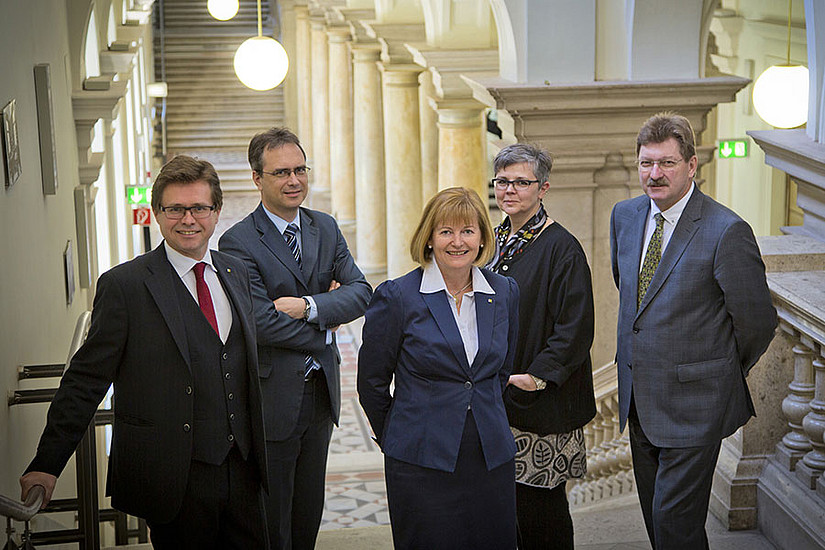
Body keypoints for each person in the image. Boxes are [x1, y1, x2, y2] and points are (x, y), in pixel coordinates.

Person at [20, 155, 269, 549]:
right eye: (175, 209)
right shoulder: (126, 286)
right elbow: (85, 380)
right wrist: (46, 465)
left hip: (243, 471)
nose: (188, 219)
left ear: (216, 211)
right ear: (157, 213)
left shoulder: (235, 272)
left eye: (199, 208)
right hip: (175, 478)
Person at [610, 112, 777, 549]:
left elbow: (757, 321)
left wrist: (716, 368)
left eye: (666, 163)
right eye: (646, 163)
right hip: (639, 397)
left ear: (691, 165)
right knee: (659, 521)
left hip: (696, 404)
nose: (654, 174)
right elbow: (634, 299)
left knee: (673, 523)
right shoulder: (624, 216)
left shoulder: (726, 231)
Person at [219, 127, 371, 550]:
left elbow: (361, 293)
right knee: (272, 520)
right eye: (281, 172)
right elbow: (261, 323)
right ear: (257, 179)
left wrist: (308, 308)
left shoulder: (324, 226)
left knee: (308, 513)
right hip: (272, 400)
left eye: (300, 169)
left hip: (320, 394)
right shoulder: (238, 242)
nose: (294, 181)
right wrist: (326, 323)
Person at [358, 187, 520, 550]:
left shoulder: (505, 291)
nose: (457, 241)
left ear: (482, 238)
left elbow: (501, 372)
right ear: (429, 238)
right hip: (420, 459)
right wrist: (398, 436)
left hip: (489, 457)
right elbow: (372, 383)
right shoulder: (397, 296)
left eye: (468, 231)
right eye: (446, 231)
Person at [488, 143, 596, 550]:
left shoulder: (561, 248)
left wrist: (537, 377)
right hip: (498, 398)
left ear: (543, 188)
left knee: (542, 516)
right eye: (502, 181)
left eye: (521, 182)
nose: (509, 190)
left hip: (540, 403)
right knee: (510, 510)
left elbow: (576, 328)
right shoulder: (493, 241)